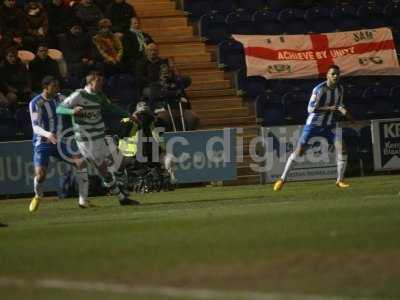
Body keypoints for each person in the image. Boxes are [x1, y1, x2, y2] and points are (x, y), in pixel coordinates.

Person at [56, 71, 139, 205]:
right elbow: (59, 109)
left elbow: (111, 107)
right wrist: (72, 111)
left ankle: (117, 188)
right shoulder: (79, 95)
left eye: (102, 81)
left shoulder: (100, 96)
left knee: (120, 160)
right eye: (99, 81)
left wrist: (127, 115)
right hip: (86, 139)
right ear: (91, 82)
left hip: (101, 136)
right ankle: (121, 197)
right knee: (103, 169)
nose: (102, 84)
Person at [273, 65, 352, 191]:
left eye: (337, 74)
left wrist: (343, 110)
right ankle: (282, 179)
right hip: (313, 126)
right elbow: (310, 109)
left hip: (329, 125)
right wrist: (329, 108)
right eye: (333, 74)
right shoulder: (319, 89)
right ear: (327, 75)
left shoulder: (340, 89)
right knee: (299, 152)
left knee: (342, 147)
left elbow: (339, 105)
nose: (336, 76)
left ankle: (340, 180)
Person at [28, 76, 89, 212]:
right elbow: (35, 127)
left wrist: (77, 108)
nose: (57, 88)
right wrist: (48, 134)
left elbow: (72, 106)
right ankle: (38, 195)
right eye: (54, 86)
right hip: (43, 142)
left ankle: (83, 201)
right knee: (41, 175)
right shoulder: (35, 103)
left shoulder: (60, 98)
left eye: (57, 86)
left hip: (59, 142)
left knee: (80, 162)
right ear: (45, 87)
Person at [118, 101, 176, 187]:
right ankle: (121, 183)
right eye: (141, 114)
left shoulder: (153, 123)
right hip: (131, 155)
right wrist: (133, 118)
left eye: (146, 114)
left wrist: (153, 117)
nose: (143, 117)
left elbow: (164, 126)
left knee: (170, 159)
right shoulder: (127, 121)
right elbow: (122, 133)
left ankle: (169, 179)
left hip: (151, 153)